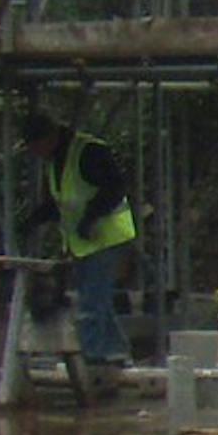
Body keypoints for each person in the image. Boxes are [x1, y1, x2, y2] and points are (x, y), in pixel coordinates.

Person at [23, 115, 137, 366]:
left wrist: (91, 217)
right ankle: (117, 354)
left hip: (107, 237)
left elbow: (115, 188)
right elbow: (61, 201)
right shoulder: (55, 161)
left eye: (35, 146)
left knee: (91, 303)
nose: (35, 153)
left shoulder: (88, 152)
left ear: (49, 137)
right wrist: (33, 221)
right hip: (84, 243)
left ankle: (93, 360)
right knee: (98, 303)